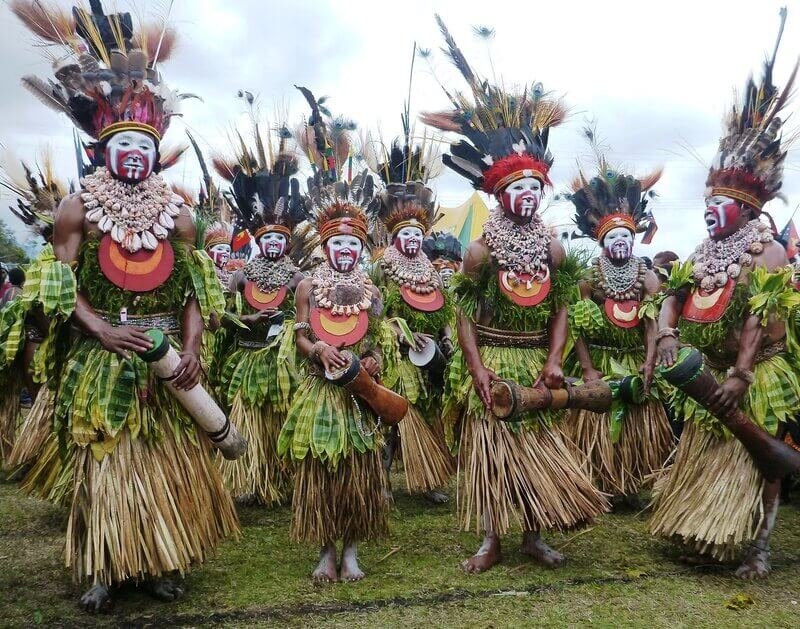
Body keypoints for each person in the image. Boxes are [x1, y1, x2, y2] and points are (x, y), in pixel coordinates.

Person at [13, 0, 238, 610]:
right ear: (104, 150)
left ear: (155, 147)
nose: (134, 153)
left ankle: (163, 560)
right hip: (102, 356)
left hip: (169, 361)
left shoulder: (180, 214)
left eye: (144, 143)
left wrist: (190, 347)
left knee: (166, 456)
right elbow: (59, 289)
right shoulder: (77, 209)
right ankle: (103, 566)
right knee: (106, 459)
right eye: (124, 144)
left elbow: (193, 289)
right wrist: (101, 331)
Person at [422, 17, 608, 574]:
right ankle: (491, 539)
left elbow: (562, 312)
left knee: (536, 447)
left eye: (534, 187)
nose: (527, 195)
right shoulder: (479, 251)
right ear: (500, 193)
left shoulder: (553, 250)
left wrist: (555, 361)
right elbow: (462, 315)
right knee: (490, 450)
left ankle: (534, 534)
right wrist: (476, 368)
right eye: (517, 188)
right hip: (497, 358)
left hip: (534, 361)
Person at [651, 13, 800, 578]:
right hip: (707, 371)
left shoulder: (768, 251)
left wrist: (740, 374)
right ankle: (705, 531)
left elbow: (762, 315)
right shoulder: (701, 252)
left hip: (754, 374)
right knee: (711, 451)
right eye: (708, 203)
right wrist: (666, 329)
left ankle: (758, 547)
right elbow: (672, 294)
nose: (711, 211)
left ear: (750, 207)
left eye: (722, 204)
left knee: (759, 456)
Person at [564, 141, 673, 504]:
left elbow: (654, 319)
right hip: (600, 361)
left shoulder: (648, 276)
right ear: (602, 243)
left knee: (637, 427)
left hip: (635, 362)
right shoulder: (589, 278)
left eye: (626, 237)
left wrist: (650, 359)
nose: (622, 244)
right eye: (614, 238)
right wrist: (587, 367)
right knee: (597, 422)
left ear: (633, 237)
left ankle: (631, 485)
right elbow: (577, 327)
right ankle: (602, 483)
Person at [215, 141, 307, 507]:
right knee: (251, 415)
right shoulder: (240, 276)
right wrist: (247, 319)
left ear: (286, 243)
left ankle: (283, 480)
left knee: (282, 416)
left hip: (285, 363)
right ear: (258, 240)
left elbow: (308, 322)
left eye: (278, 238)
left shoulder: (299, 278)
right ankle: (253, 480)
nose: (272, 243)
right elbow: (219, 317)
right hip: (249, 360)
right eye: (266, 237)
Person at [364, 139, 455, 504]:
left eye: (418, 234)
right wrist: (401, 335)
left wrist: (445, 338)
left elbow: (445, 312)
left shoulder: (432, 271)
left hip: (430, 356)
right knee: (391, 416)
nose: (414, 240)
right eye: (406, 235)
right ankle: (382, 479)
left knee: (429, 414)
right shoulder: (383, 268)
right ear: (395, 237)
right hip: (399, 356)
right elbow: (376, 317)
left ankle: (427, 478)